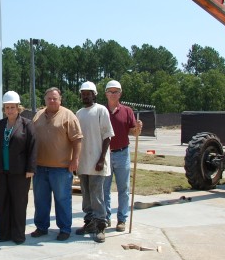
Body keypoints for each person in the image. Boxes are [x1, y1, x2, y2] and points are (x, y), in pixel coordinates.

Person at [31, 87, 83, 241]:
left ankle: (65, 229)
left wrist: (75, 160)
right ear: (45, 100)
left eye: (55, 98)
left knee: (62, 200)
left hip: (61, 168)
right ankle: (41, 227)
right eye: (49, 98)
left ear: (60, 99)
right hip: (40, 168)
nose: (52, 101)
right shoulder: (38, 116)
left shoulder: (69, 116)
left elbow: (77, 139)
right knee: (40, 200)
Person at [0, 91, 36, 244]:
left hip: (20, 172)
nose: (9, 110)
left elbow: (32, 147)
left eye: (12, 107)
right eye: (7, 107)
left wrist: (31, 168)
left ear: (18, 108)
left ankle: (18, 236)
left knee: (19, 204)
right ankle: (5, 234)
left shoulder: (27, 124)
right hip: (1, 171)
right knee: (3, 202)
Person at [75, 81, 114, 243]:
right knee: (86, 196)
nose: (85, 96)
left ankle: (100, 226)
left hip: (97, 162)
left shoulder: (101, 110)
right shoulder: (78, 113)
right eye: (83, 94)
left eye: (88, 93)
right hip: (83, 163)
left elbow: (107, 136)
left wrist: (101, 158)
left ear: (94, 94)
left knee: (97, 196)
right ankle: (89, 222)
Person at [104, 80, 142, 232]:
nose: (113, 94)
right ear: (106, 93)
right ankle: (106, 218)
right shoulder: (101, 110)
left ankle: (122, 219)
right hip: (105, 154)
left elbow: (133, 132)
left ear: (120, 93)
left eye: (116, 91)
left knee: (123, 188)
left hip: (122, 153)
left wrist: (138, 129)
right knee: (104, 188)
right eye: (110, 91)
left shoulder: (127, 111)